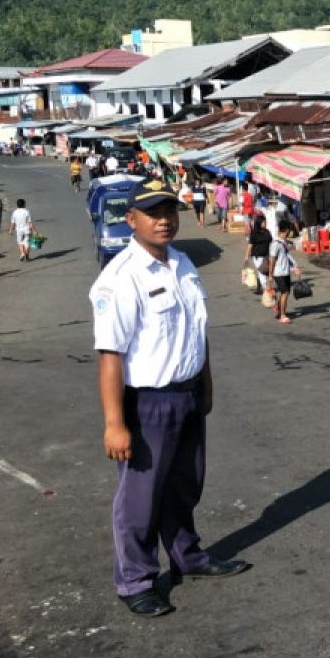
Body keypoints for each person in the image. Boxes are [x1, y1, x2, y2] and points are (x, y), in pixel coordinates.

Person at [89, 179, 249, 618]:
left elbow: (198, 332)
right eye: (152, 213)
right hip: (147, 403)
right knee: (140, 498)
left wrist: (207, 385)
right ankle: (135, 580)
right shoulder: (120, 278)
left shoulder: (183, 265)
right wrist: (114, 423)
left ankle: (187, 556)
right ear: (131, 219)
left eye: (169, 211)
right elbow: (110, 356)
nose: (164, 220)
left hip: (189, 394)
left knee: (185, 484)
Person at [267, 222, 301, 325]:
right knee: (285, 293)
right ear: (286, 231)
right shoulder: (275, 244)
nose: (289, 233)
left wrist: (294, 267)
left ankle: (279, 307)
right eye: (289, 231)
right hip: (279, 273)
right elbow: (272, 260)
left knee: (286, 293)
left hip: (285, 271)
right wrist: (270, 275)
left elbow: (286, 257)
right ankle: (282, 315)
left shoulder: (284, 242)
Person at [245, 215, 272, 295]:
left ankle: (261, 288)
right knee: (261, 272)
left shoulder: (267, 231)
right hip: (257, 256)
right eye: (264, 222)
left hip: (266, 255)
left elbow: (271, 241)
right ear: (259, 223)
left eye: (265, 222)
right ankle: (265, 289)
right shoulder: (254, 234)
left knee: (265, 271)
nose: (265, 223)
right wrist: (246, 255)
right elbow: (250, 245)